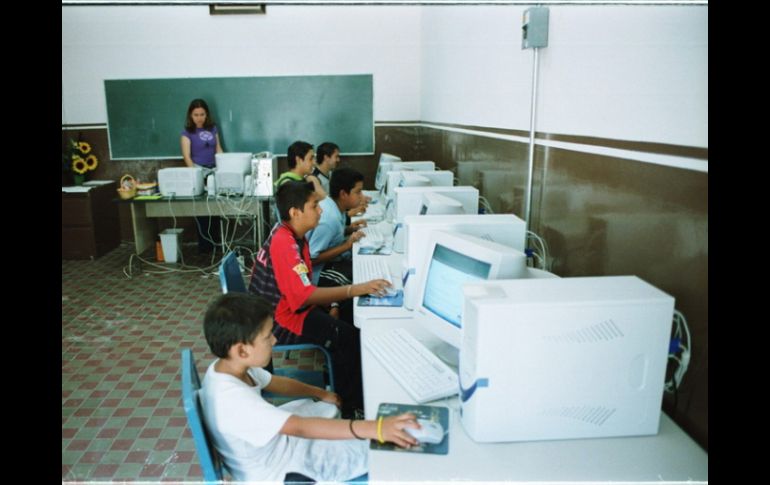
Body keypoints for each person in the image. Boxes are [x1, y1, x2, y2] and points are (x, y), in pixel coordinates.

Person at [200, 292, 419, 482]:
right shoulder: (234, 400)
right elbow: (300, 428)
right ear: (242, 350)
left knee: (326, 410)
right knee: (370, 452)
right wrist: (377, 428)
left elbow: (277, 383)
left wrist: (321, 393)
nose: (275, 341)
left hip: (271, 447)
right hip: (276, 472)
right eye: (268, 337)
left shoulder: (229, 366)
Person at [248, 181, 394, 418]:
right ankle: (352, 407)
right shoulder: (285, 243)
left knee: (346, 313)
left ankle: (340, 376)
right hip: (280, 321)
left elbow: (301, 286)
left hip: (285, 309)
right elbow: (303, 295)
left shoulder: (291, 234)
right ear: (296, 212)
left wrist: (335, 302)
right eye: (315, 205)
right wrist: (355, 289)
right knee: (348, 338)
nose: (321, 210)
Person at [307, 168, 369, 324]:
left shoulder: (334, 206)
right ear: (343, 194)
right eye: (358, 192)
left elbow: (334, 235)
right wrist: (347, 245)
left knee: (359, 269)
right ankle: (342, 323)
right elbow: (311, 259)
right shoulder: (329, 220)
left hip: (329, 264)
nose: (361, 197)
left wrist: (350, 229)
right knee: (358, 278)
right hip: (315, 274)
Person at [180, 98, 223, 253]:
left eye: (202, 114)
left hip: (214, 170)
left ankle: (216, 242)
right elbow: (187, 157)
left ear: (207, 115)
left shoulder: (213, 129)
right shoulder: (187, 133)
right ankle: (205, 246)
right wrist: (197, 176)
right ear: (190, 116)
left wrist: (224, 167)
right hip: (197, 171)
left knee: (216, 208)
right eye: (196, 114)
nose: (199, 117)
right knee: (202, 209)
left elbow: (218, 149)